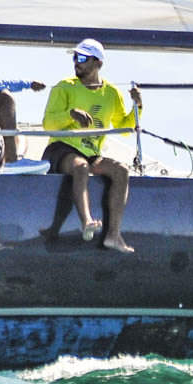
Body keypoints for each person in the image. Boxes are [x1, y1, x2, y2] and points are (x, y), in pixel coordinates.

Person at [40, 38, 142, 253]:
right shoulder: (64, 86)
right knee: (81, 167)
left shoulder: (112, 93)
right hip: (61, 147)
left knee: (121, 170)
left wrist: (137, 106)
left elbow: (124, 129)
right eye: (75, 58)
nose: (76, 62)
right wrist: (71, 114)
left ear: (98, 63)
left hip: (91, 152)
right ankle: (87, 221)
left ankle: (113, 235)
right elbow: (48, 124)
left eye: (82, 58)